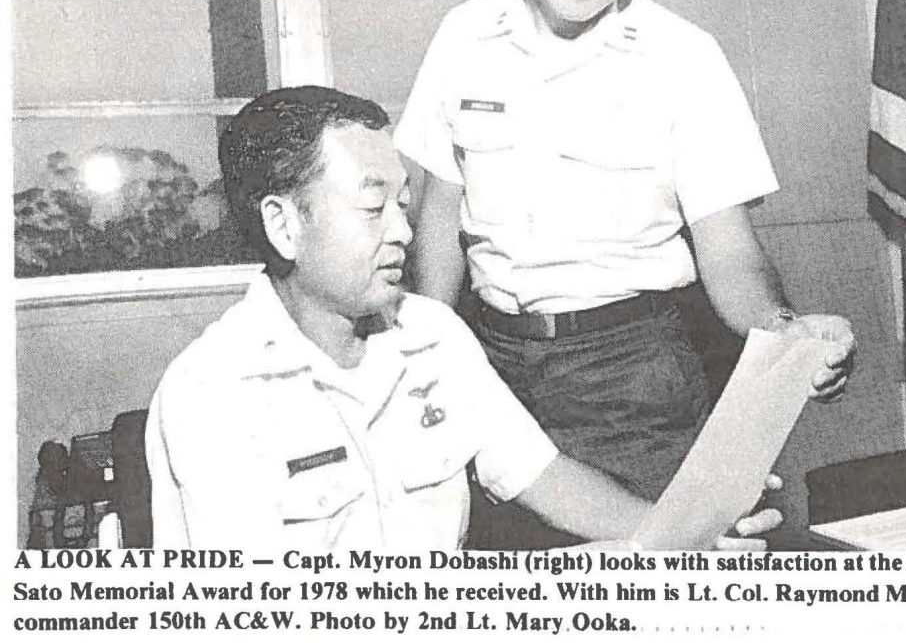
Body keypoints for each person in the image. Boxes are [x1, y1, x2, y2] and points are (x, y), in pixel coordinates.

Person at [394, 0, 856, 547]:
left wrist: (786, 333)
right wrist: (420, 361)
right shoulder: (462, 37)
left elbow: (729, 253)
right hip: (487, 363)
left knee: (667, 577)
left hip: (631, 375)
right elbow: (437, 223)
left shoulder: (684, 57)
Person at [145, 86, 783, 551]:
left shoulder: (432, 335)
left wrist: (683, 536)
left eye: (403, 203)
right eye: (374, 209)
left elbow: (542, 475)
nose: (405, 230)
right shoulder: (212, 390)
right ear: (282, 224)